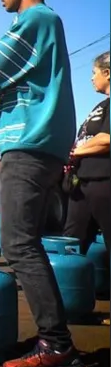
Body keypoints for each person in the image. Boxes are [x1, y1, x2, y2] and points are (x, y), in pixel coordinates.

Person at [0, 0, 85, 367]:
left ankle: (57, 345)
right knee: (28, 242)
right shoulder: (49, 22)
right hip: (41, 147)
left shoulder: (36, 18)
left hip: (27, 144)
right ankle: (57, 341)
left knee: (19, 244)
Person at [62, 51, 110, 258]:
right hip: (82, 185)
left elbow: (107, 139)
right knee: (71, 243)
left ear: (107, 73)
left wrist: (74, 151)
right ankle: (68, 290)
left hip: (105, 183)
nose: (91, 78)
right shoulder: (102, 105)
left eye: (94, 73)